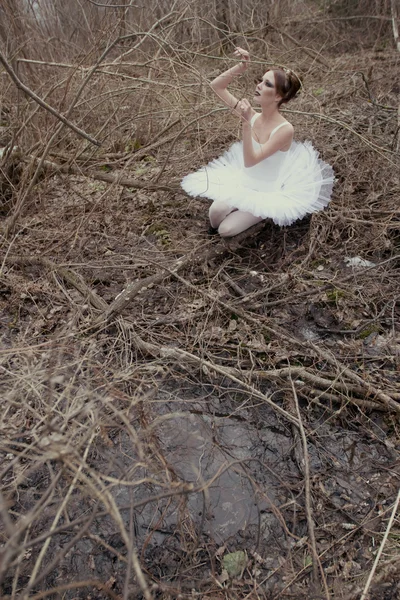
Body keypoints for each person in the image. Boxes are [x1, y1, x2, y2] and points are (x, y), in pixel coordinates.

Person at [181, 47, 335, 238]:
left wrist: (246, 124)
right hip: (242, 182)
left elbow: (251, 161)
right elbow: (216, 86)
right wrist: (241, 66)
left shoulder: (285, 129)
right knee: (215, 214)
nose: (260, 85)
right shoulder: (253, 116)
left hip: (265, 191)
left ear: (278, 96)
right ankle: (238, 210)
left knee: (225, 230)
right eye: (260, 81)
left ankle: (261, 213)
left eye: (267, 84)